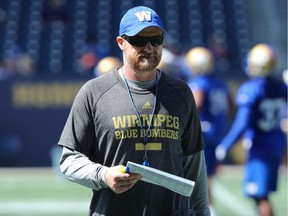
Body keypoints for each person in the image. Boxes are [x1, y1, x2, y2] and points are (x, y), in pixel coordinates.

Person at [58, 6, 210, 216]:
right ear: (121, 43)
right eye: (139, 40)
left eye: (156, 39)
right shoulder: (94, 92)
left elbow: (194, 163)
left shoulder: (181, 93)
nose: (149, 47)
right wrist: (104, 175)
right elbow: (69, 160)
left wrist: (201, 212)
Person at [215, 44, 287, 216]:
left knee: (260, 196)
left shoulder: (251, 89)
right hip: (276, 143)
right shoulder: (281, 87)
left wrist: (226, 144)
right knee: (262, 195)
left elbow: (243, 123)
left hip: (260, 146)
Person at [185, 47, 232, 215]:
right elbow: (230, 105)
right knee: (207, 174)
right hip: (218, 131)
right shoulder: (220, 82)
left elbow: (194, 107)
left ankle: (208, 209)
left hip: (204, 133)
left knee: (199, 175)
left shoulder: (199, 84)